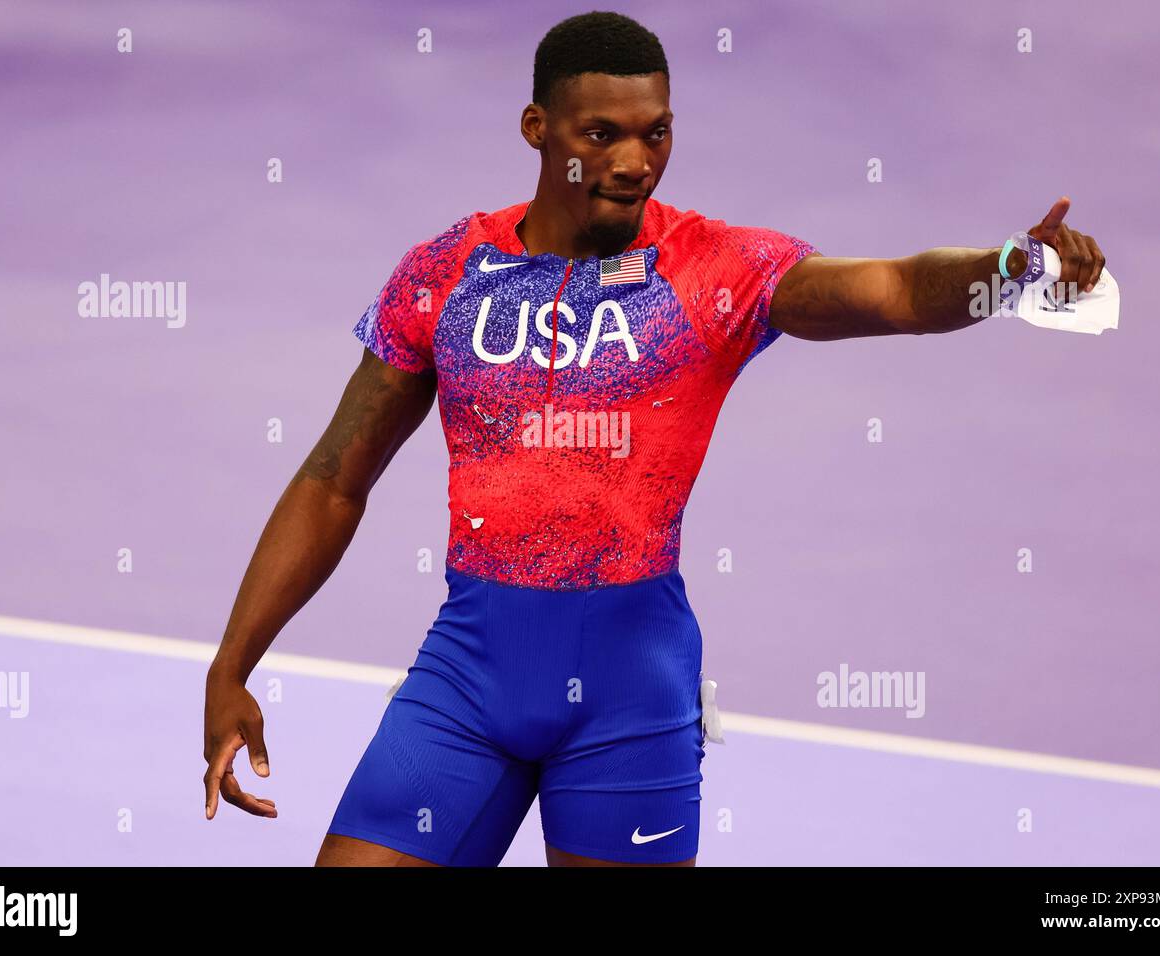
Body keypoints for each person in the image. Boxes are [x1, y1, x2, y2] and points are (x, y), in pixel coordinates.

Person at [202, 11, 1106, 867]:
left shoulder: (716, 270)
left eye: (657, 134)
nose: (636, 162)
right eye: (602, 135)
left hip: (629, 702)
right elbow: (333, 478)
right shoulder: (446, 271)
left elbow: (899, 291)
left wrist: (1011, 268)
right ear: (537, 127)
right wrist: (234, 664)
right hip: (466, 683)